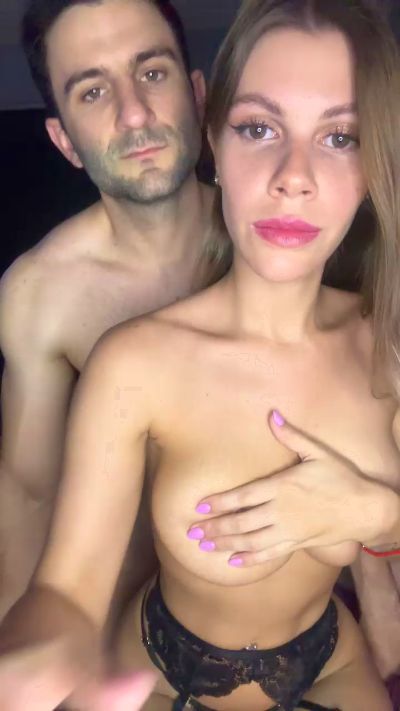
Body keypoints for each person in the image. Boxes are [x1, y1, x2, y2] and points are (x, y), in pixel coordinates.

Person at [0, 0, 399, 709]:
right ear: (218, 136)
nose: (294, 176)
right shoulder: (101, 340)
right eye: (259, 128)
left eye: (340, 137)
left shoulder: (381, 335)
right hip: (163, 660)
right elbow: (51, 553)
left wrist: (379, 518)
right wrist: (33, 653)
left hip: (328, 657)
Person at [0, 0, 229, 621]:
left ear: (198, 95)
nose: (134, 113)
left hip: (301, 610)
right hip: (129, 623)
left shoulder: (288, 239)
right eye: (93, 91)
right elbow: (29, 494)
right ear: (64, 141)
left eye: (152, 72)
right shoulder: (40, 293)